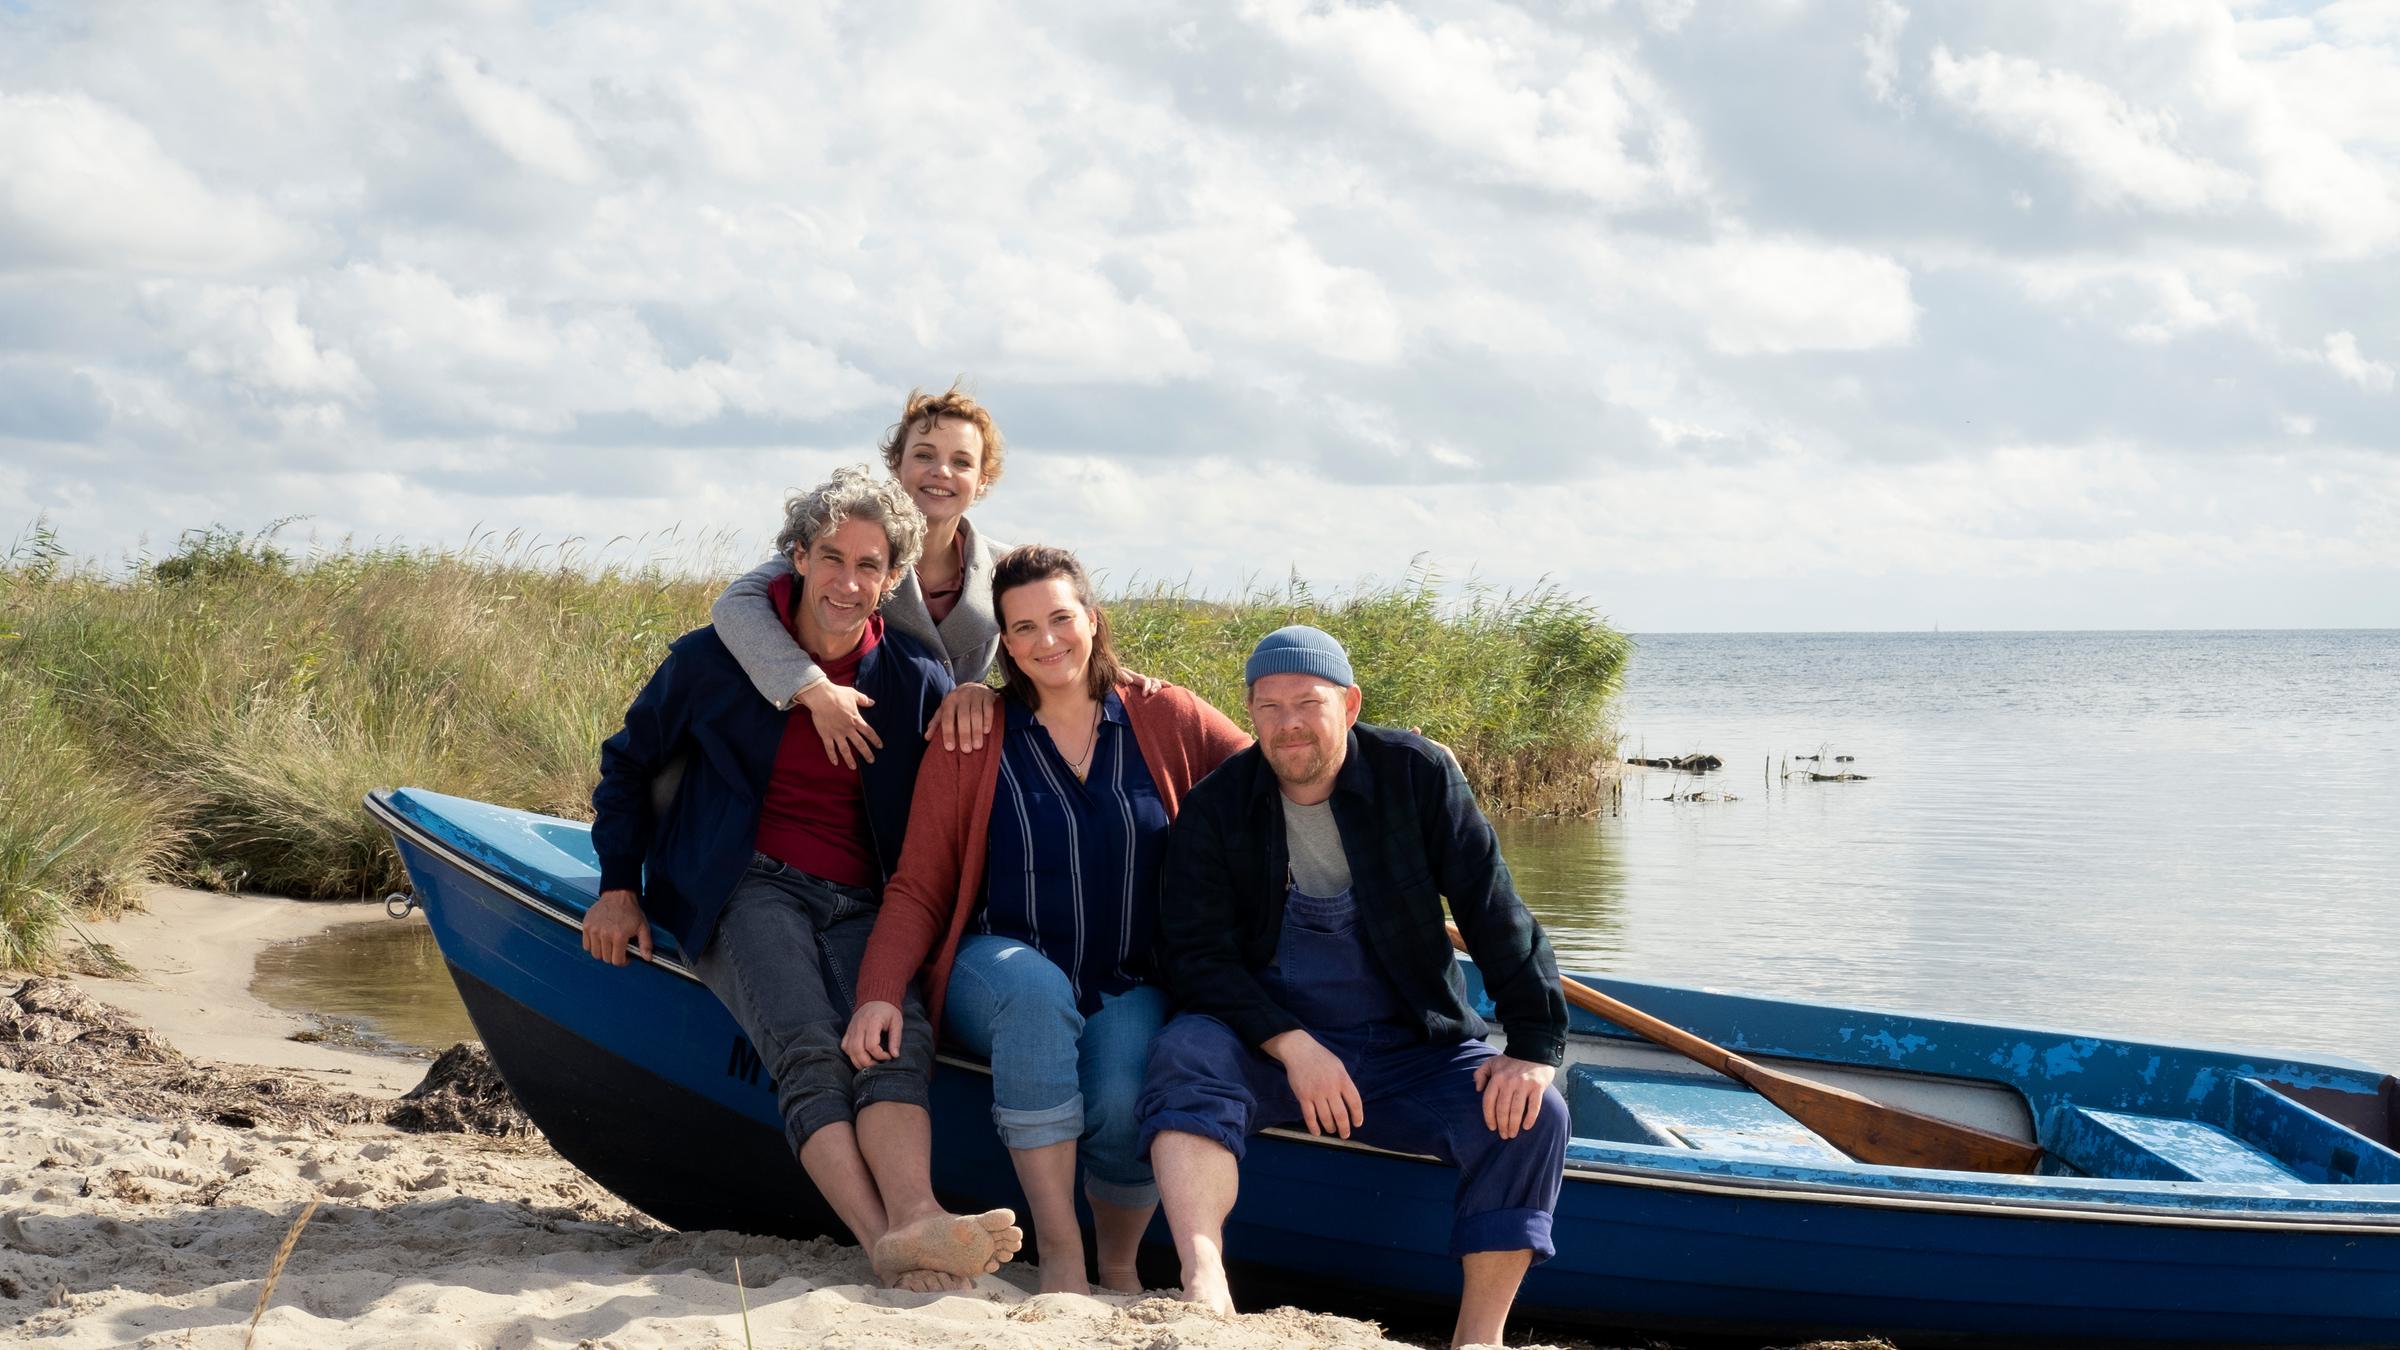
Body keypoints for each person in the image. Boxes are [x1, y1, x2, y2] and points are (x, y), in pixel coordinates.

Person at [585, 466, 1022, 1292]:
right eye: (832, 558)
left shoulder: (913, 682)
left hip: (865, 900)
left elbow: (945, 823)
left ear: (893, 579)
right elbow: (626, 767)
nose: (848, 583)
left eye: (869, 567)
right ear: (797, 558)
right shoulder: (713, 661)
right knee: (810, 1048)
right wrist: (618, 886)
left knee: (896, 1043)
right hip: (745, 887)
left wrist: (981, 700)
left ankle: (917, 1218)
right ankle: (882, 1241)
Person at [1137, 626, 1571, 1348]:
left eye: (1308, 703)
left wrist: (1533, 1040)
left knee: (1538, 1115)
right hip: (1273, 1047)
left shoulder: (1418, 775)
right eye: (1269, 707)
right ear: (1249, 713)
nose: (1289, 724)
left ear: (1350, 703)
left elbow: (1493, 909)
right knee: (1186, 1051)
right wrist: (1293, 1045)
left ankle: (1478, 1337)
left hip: (1410, 1047)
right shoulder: (1217, 808)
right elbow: (1198, 958)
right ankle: (1205, 1281)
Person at [840, 545, 1251, 1294]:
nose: (1046, 640)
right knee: (1033, 996)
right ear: (1004, 642)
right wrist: (878, 990)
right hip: (996, 965)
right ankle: (1061, 1254)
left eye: (1061, 618)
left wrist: (1394, 759)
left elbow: (1279, 776)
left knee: (1127, 1094)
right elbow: (919, 885)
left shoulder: (1168, 715)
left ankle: (1119, 1263)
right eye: (1022, 628)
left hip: (1129, 977)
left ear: (1092, 621)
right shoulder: (976, 731)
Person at [712, 383, 1011, 765]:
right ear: (896, 465)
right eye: (924, 455)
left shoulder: (1007, 569)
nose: (941, 471)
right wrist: (809, 684)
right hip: (859, 756)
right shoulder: (850, 544)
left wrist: (988, 694)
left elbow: (1044, 666)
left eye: (962, 462)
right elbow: (736, 603)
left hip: (958, 763)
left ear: (982, 479)